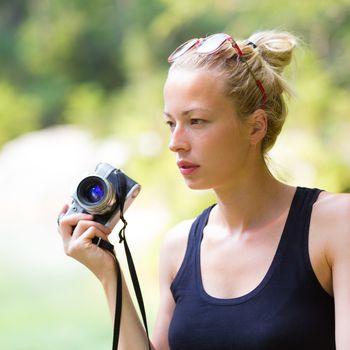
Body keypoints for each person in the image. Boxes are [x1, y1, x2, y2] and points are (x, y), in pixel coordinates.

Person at [57, 30, 350, 349]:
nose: (175, 143)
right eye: (171, 123)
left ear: (255, 126)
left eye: (196, 121)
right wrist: (108, 273)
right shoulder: (178, 247)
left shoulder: (335, 225)